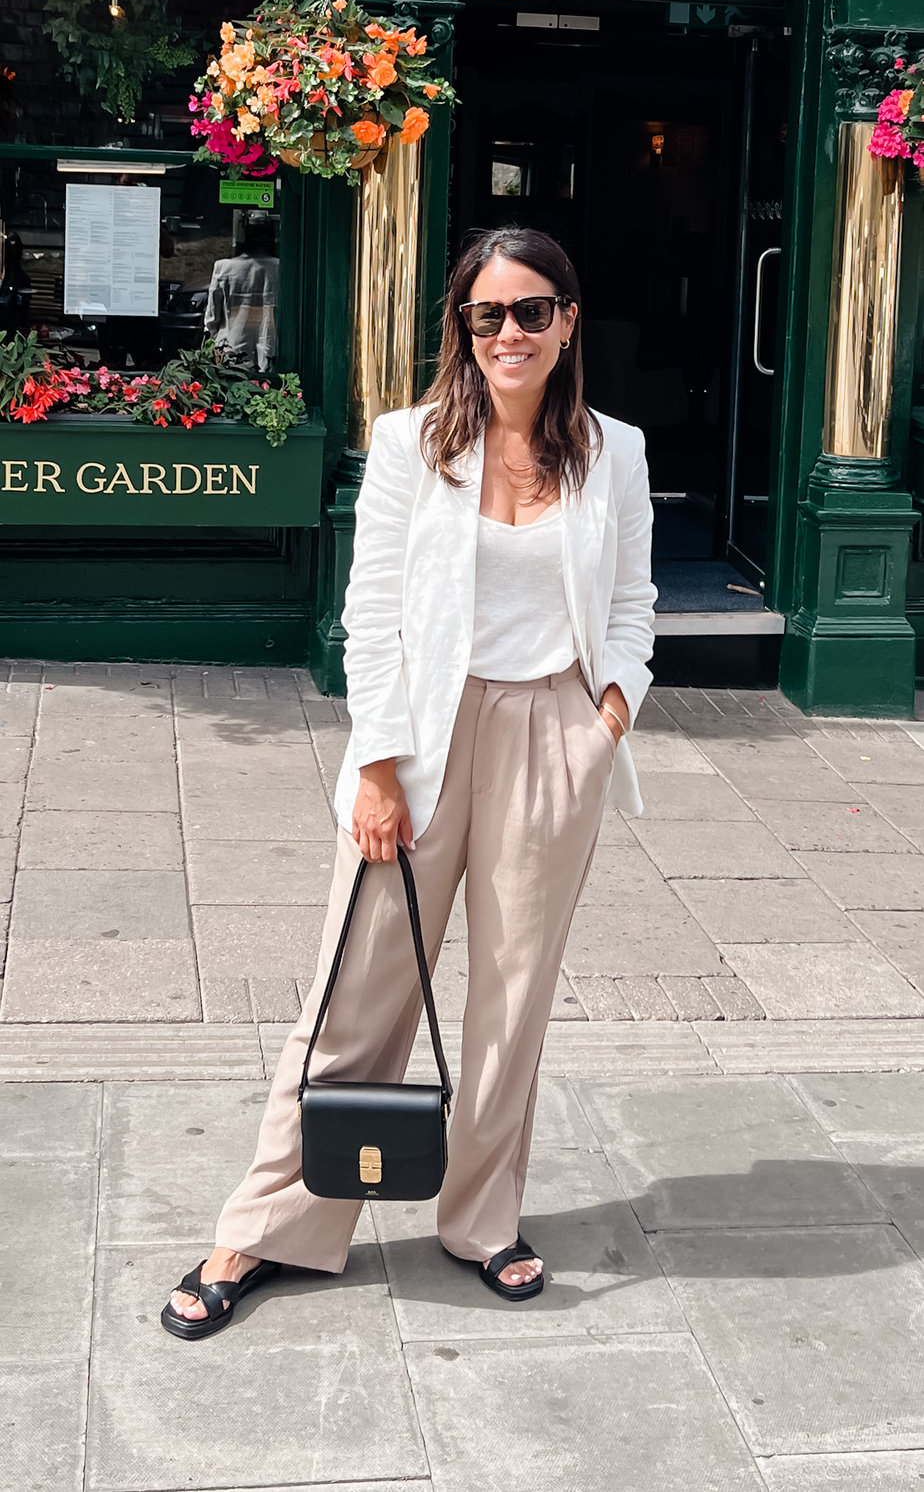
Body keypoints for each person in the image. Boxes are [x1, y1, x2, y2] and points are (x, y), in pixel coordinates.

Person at [161, 224, 657, 1339]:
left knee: (514, 1000)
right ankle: (263, 1224)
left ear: (569, 320)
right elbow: (368, 615)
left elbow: (633, 603)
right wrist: (376, 764)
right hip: (423, 737)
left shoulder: (612, 451)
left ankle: (482, 1219)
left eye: (533, 310)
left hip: (552, 734)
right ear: (464, 328)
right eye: (489, 315)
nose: (511, 332)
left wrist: (607, 717)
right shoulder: (410, 442)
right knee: (355, 988)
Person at [204, 215, 279, 372]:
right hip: (270, 346)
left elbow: (212, 317)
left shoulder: (224, 268)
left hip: (232, 345)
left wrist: (213, 338)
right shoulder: (280, 268)